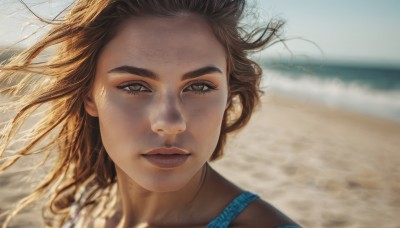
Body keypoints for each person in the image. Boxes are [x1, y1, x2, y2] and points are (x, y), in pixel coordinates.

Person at [0, 0, 301, 227]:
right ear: (89, 96)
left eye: (199, 86)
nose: (170, 123)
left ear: (228, 95)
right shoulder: (88, 202)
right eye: (134, 86)